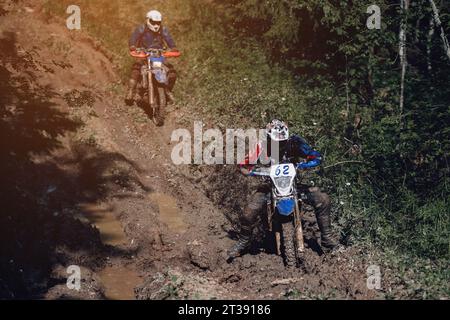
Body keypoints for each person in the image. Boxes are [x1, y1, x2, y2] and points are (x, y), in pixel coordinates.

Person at [227, 119, 339, 260]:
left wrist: (306, 163)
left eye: (282, 142)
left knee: (323, 199)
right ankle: (244, 241)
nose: (279, 145)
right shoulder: (261, 146)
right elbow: (244, 164)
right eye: (276, 142)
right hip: (270, 185)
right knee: (249, 212)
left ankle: (327, 238)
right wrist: (252, 171)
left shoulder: (295, 142)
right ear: (268, 138)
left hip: (293, 184)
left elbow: (314, 154)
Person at [125, 10, 178, 106]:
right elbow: (133, 38)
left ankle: (167, 91)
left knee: (172, 73)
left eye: (158, 22)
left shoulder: (163, 30)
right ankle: (131, 91)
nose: (156, 25)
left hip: (159, 54)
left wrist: (173, 47)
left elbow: (169, 39)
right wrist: (133, 46)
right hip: (144, 54)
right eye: (153, 22)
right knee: (136, 69)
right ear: (148, 20)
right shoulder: (141, 28)